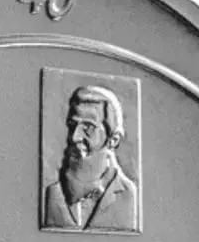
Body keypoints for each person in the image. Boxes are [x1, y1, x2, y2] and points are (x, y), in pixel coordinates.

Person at [43, 85, 138, 231]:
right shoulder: (52, 194)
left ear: (114, 140)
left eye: (88, 127)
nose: (74, 137)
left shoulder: (130, 197)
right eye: (72, 125)